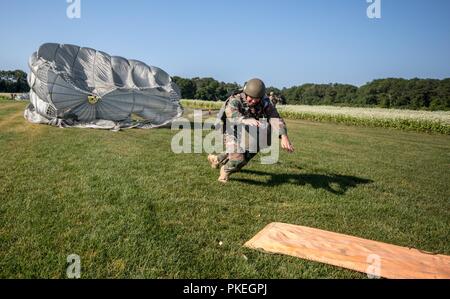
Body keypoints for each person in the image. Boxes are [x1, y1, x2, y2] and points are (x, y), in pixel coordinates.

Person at [208, 78, 294, 183]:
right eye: (251, 98)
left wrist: (284, 137)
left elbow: (275, 118)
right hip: (230, 129)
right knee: (238, 158)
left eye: (257, 99)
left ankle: (216, 159)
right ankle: (224, 171)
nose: (253, 101)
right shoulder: (235, 99)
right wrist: (245, 120)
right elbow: (231, 115)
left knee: (244, 157)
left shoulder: (265, 102)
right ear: (246, 93)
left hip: (249, 130)